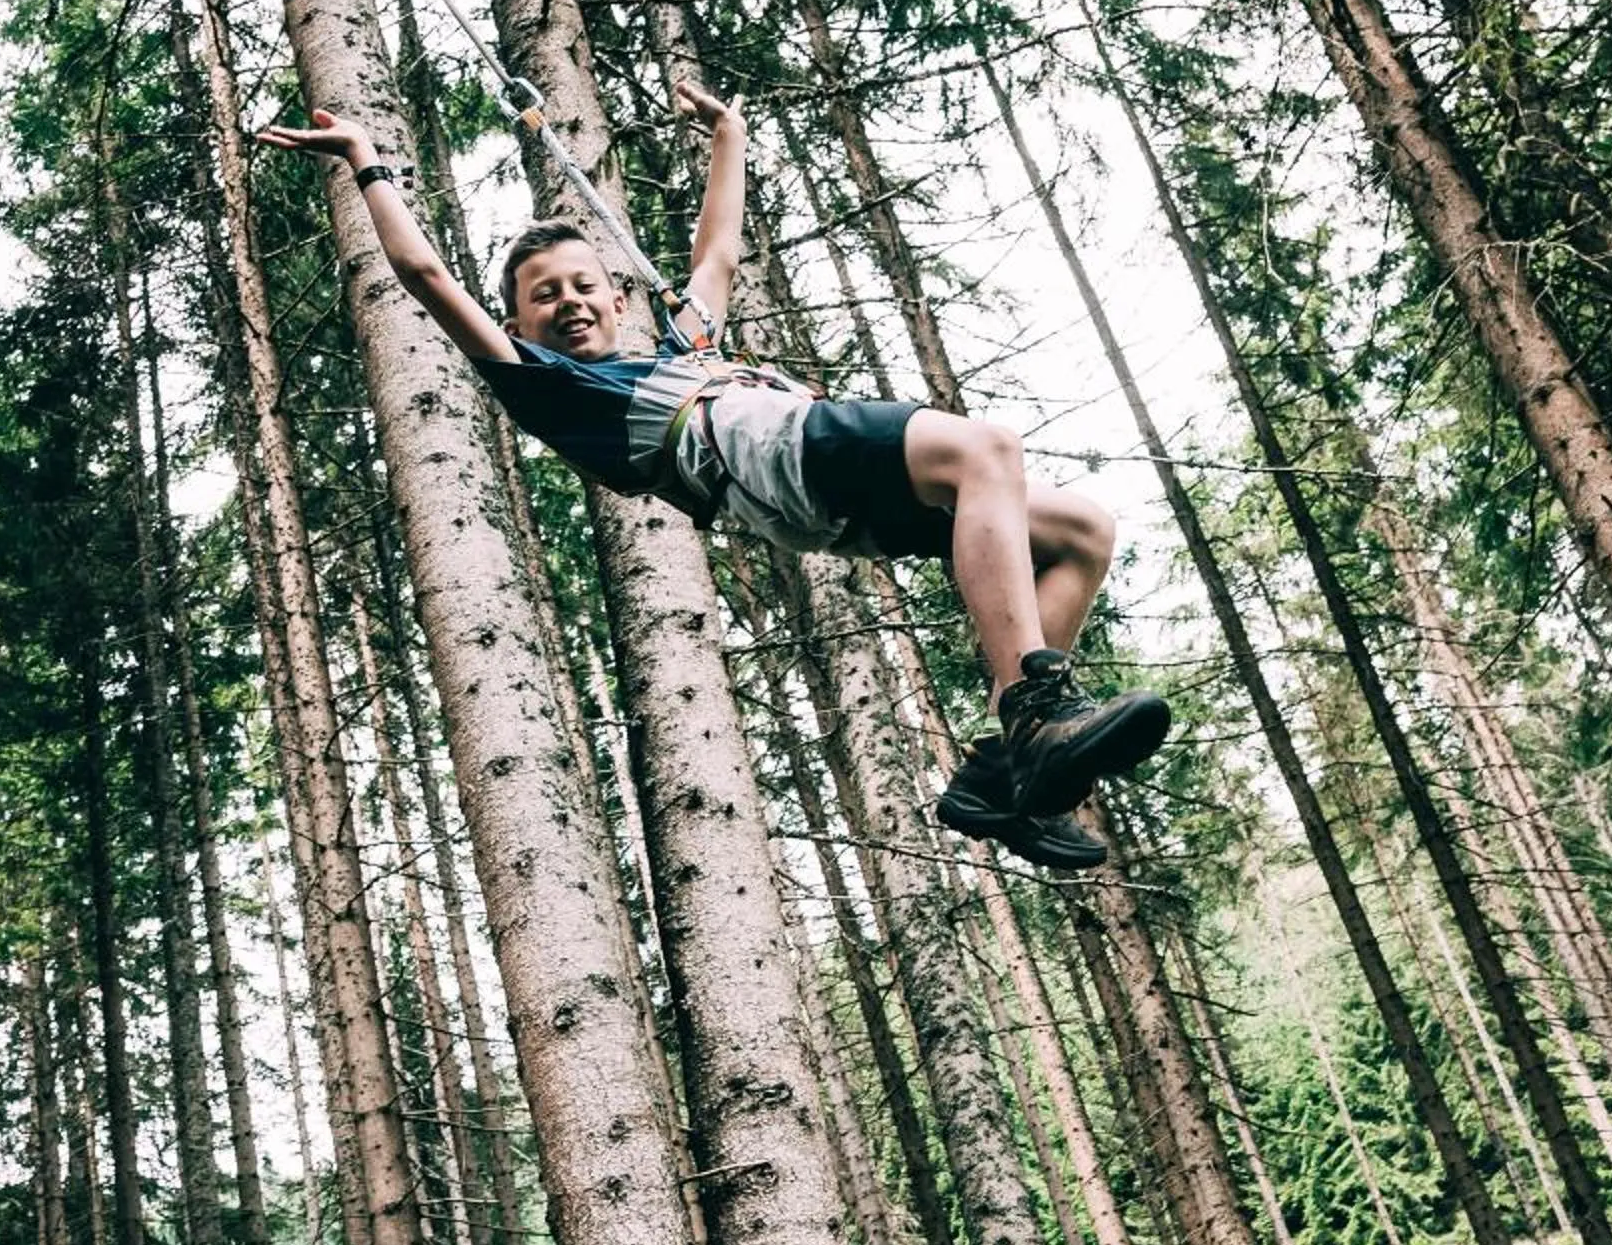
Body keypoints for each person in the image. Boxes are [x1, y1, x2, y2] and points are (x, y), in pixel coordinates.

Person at [257, 86, 1165, 870]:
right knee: (986, 449)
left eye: (583, 286)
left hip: (815, 484)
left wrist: (728, 137)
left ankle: (1002, 780)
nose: (568, 302)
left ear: (620, 300)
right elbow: (422, 273)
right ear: (521, 327)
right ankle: (1033, 712)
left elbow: (718, 254)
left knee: (1081, 530)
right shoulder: (559, 394)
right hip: (775, 453)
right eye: (545, 297)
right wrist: (365, 161)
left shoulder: (680, 348)